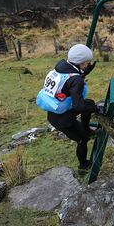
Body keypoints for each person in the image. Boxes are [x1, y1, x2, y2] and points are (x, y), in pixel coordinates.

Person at [36, 44, 104, 173]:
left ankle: (87, 129)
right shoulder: (75, 79)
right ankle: (83, 166)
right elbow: (78, 105)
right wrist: (96, 109)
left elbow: (67, 86)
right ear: (81, 62)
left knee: (88, 103)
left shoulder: (61, 68)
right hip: (62, 120)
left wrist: (82, 74)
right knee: (82, 139)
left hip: (56, 110)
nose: (87, 66)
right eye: (86, 63)